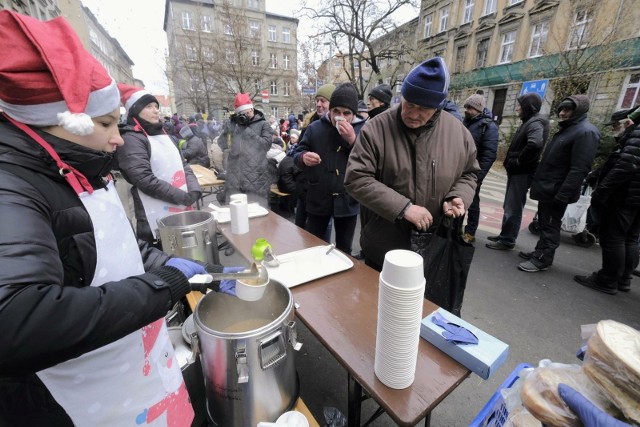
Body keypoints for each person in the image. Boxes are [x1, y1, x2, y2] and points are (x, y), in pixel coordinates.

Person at [0, 11, 232, 425]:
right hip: (77, 404)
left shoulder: (82, 168)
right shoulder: (12, 187)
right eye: (106, 123)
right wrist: (162, 285)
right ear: (59, 122)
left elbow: (118, 248)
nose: (118, 137)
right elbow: (16, 317)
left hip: (138, 372)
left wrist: (199, 272)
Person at [345, 57, 479, 271]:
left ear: (438, 106)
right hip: (385, 250)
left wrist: (458, 196)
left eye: (423, 108)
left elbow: (470, 173)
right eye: (409, 104)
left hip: (435, 250)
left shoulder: (459, 133)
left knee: (428, 305)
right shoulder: (377, 128)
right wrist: (403, 208)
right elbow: (356, 178)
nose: (413, 114)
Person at [518, 95, 600, 272]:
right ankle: (540, 252)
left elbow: (580, 168)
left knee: (550, 225)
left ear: (578, 110)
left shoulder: (585, 132)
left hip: (557, 190)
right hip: (550, 188)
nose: (562, 113)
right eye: (561, 109)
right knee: (545, 222)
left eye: (567, 110)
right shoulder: (570, 129)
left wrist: (563, 194)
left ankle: (542, 259)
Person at [116, 84, 202, 246]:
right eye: (149, 106)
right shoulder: (131, 139)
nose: (156, 110)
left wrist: (193, 188)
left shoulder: (164, 135)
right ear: (135, 110)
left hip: (180, 205)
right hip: (153, 215)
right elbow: (143, 178)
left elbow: (182, 164)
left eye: (156, 106)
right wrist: (182, 197)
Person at [294, 83, 366, 254]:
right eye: (336, 111)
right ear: (330, 110)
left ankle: (345, 281)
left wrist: (352, 140)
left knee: (344, 249)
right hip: (318, 197)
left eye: (346, 113)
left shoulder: (362, 129)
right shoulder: (314, 128)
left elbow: (368, 161)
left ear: (353, 114)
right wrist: (303, 157)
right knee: (315, 246)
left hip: (348, 199)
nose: (340, 117)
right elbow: (297, 154)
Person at [573, 111, 639, 294]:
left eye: (616, 125)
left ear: (628, 122)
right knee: (630, 238)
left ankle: (608, 279)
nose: (614, 129)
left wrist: (601, 192)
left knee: (614, 237)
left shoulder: (635, 135)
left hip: (624, 196)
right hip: (635, 198)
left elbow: (625, 166)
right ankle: (623, 279)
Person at [486, 92, 549, 251]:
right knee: (510, 205)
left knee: (513, 207)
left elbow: (535, 143)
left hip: (522, 171)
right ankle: (504, 235)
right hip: (518, 171)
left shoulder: (535, 123)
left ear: (528, 107)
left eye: (519, 105)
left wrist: (519, 160)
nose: (516, 108)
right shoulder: (530, 121)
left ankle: (507, 240)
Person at [218, 93, 273, 204]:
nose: (247, 116)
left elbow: (266, 145)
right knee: (235, 214)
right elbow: (222, 144)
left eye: (249, 112)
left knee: (256, 214)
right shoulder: (234, 125)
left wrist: (246, 130)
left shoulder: (263, 124)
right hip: (235, 179)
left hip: (256, 179)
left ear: (253, 109)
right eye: (243, 114)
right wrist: (226, 131)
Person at [461, 93, 499, 243]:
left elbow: (489, 154)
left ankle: (470, 232)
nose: (467, 110)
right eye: (466, 106)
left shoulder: (488, 127)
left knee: (472, 202)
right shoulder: (466, 122)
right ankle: (455, 227)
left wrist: (479, 175)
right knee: (458, 199)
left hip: (474, 172)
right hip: (460, 169)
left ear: (478, 109)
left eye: (470, 107)